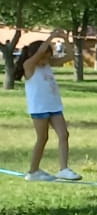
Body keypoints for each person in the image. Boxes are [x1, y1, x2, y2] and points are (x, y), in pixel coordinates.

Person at [14, 33, 80, 182]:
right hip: (39, 109)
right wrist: (51, 37)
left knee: (64, 135)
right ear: (35, 55)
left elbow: (70, 56)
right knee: (42, 138)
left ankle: (63, 169)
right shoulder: (29, 66)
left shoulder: (48, 64)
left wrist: (64, 38)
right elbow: (39, 53)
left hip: (54, 106)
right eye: (43, 57)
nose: (45, 60)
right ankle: (33, 171)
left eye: (48, 57)